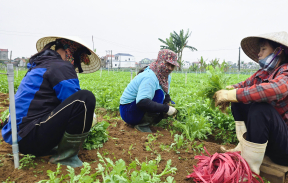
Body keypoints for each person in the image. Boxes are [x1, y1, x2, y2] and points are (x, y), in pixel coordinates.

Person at [213, 31, 288, 174]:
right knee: (239, 100)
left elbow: (276, 89)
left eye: (263, 49)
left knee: (260, 108)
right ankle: (243, 147)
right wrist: (227, 91)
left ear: (279, 51)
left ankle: (249, 170)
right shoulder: (263, 74)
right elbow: (243, 86)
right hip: (275, 141)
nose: (259, 54)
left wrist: (234, 94)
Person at [2, 36, 101, 168]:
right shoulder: (60, 66)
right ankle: (66, 157)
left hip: (19, 136)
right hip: (29, 137)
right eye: (77, 59)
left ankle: (53, 148)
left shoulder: (42, 64)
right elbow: (73, 100)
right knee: (84, 99)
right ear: (69, 52)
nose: (76, 65)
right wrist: (91, 118)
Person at [119, 49, 178, 133]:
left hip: (135, 107)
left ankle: (145, 120)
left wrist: (170, 104)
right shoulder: (150, 76)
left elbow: (166, 96)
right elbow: (142, 102)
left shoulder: (166, 77)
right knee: (159, 95)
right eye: (167, 64)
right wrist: (166, 108)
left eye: (172, 66)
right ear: (160, 62)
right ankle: (142, 124)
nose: (170, 68)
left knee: (165, 99)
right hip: (128, 111)